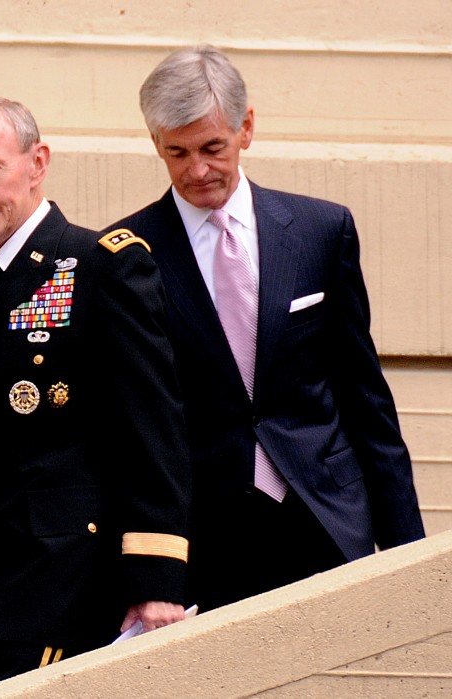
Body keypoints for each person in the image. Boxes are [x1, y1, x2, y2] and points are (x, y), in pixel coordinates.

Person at [105, 45, 425, 614]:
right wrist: (146, 575)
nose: (197, 170)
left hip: (325, 518)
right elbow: (127, 432)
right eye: (176, 153)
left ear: (245, 127)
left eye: (212, 147)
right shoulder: (128, 255)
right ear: (155, 143)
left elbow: (364, 396)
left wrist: (406, 552)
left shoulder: (321, 230)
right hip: (203, 538)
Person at [0, 94, 191, 698]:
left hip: (65, 592)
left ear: (38, 162)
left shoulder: (100, 266)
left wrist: (157, 582)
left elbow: (153, 430)